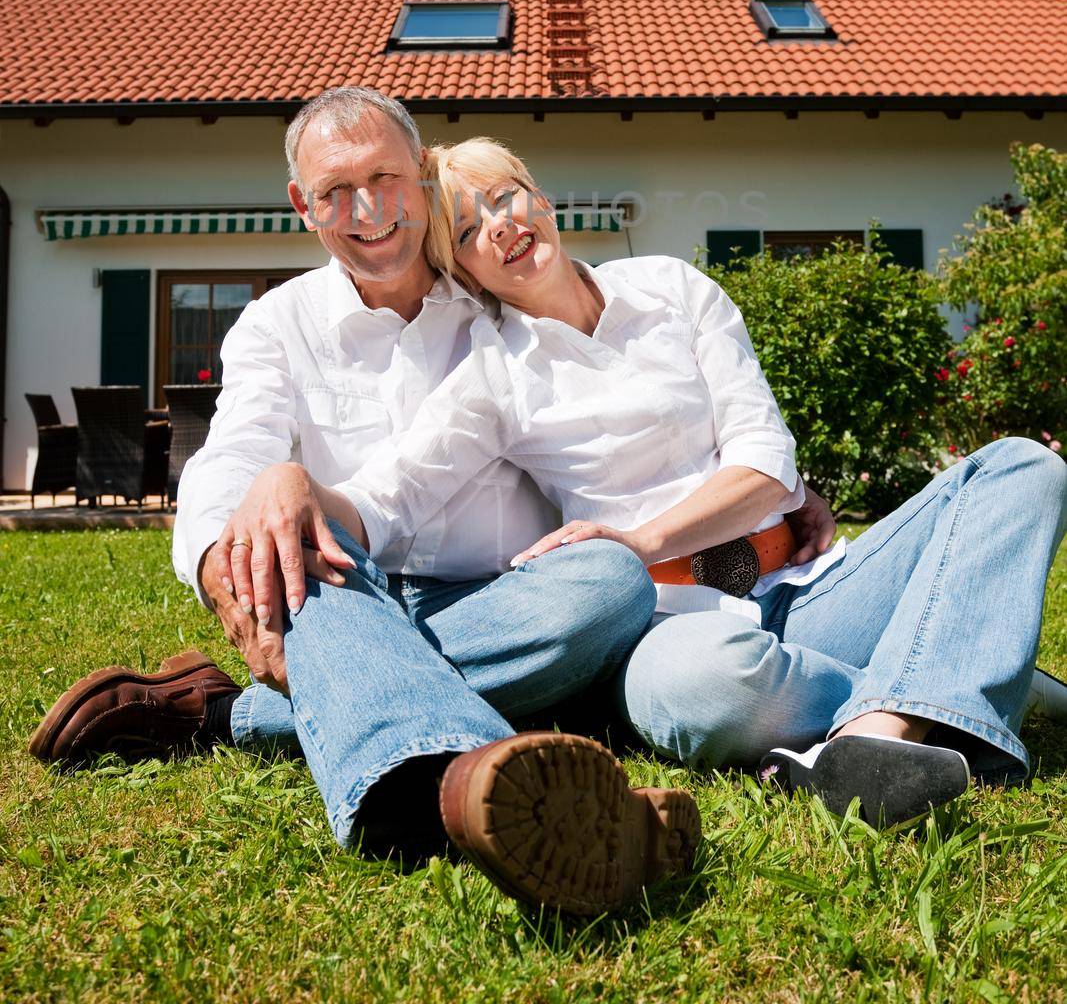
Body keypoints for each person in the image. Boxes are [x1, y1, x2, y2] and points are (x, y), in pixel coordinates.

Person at [223, 135, 1067, 828]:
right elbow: (387, 497)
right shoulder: (492, 374)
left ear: (539, 195)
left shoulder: (673, 288)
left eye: (505, 197)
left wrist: (640, 539)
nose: (501, 228)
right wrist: (293, 485)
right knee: (703, 691)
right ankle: (961, 671)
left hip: (804, 583)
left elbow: (767, 465)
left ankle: (881, 730)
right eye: (470, 230)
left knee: (1024, 466)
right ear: (463, 271)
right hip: (677, 623)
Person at [29, 87, 702, 916]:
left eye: (384, 178)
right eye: (334, 191)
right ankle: (469, 792)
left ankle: (238, 714)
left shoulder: (499, 294)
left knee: (607, 581)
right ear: (300, 205)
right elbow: (231, 454)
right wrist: (220, 561)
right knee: (295, 549)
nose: (367, 209)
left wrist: (770, 492)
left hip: (510, 598)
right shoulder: (278, 324)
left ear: (422, 175)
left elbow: (634, 398)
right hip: (348, 592)